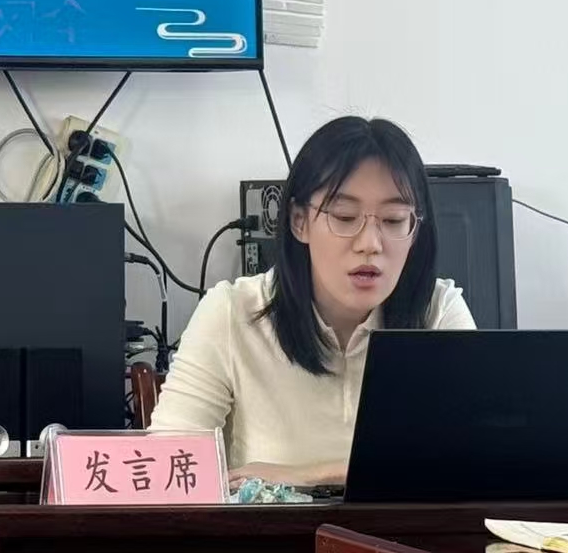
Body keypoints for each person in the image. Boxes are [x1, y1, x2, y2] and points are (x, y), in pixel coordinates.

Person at [147, 115, 474, 486]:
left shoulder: (439, 312)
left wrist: (311, 475)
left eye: (394, 220)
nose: (370, 243)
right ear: (299, 221)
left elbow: (478, 461)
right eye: (345, 217)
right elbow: (166, 473)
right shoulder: (231, 312)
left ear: (415, 229)